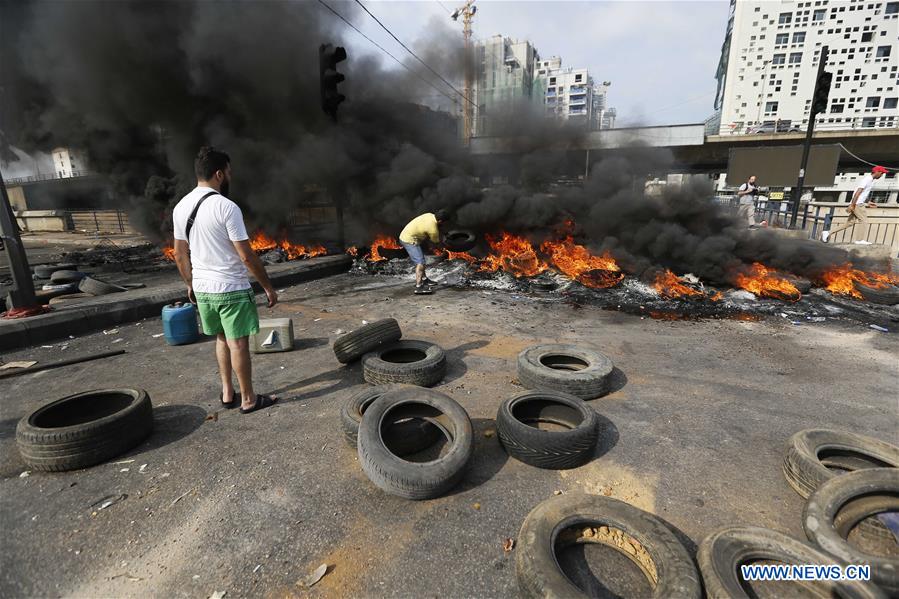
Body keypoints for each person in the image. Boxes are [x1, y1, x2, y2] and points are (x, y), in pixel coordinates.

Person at [172, 146, 278, 414]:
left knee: (220, 338)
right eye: (229, 172)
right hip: (231, 287)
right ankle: (249, 399)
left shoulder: (181, 207)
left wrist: (189, 284)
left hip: (204, 289)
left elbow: (179, 254)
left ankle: (228, 393)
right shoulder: (227, 207)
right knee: (238, 343)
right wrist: (267, 286)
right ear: (219, 174)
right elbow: (246, 255)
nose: (231, 177)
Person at [822, 165, 888, 243]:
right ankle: (859, 240)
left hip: (857, 203)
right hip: (858, 204)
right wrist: (853, 205)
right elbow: (857, 193)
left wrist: (868, 202)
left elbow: (862, 193)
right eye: (882, 173)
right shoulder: (867, 180)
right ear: (877, 172)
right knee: (863, 220)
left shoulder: (870, 180)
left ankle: (827, 232)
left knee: (849, 223)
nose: (882, 175)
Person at [399, 209, 449, 295]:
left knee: (421, 260)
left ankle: (425, 280)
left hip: (406, 234)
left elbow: (437, 226)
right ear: (440, 221)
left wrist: (444, 231)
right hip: (408, 240)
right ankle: (419, 287)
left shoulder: (429, 215)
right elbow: (436, 242)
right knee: (420, 262)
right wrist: (446, 245)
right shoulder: (433, 229)